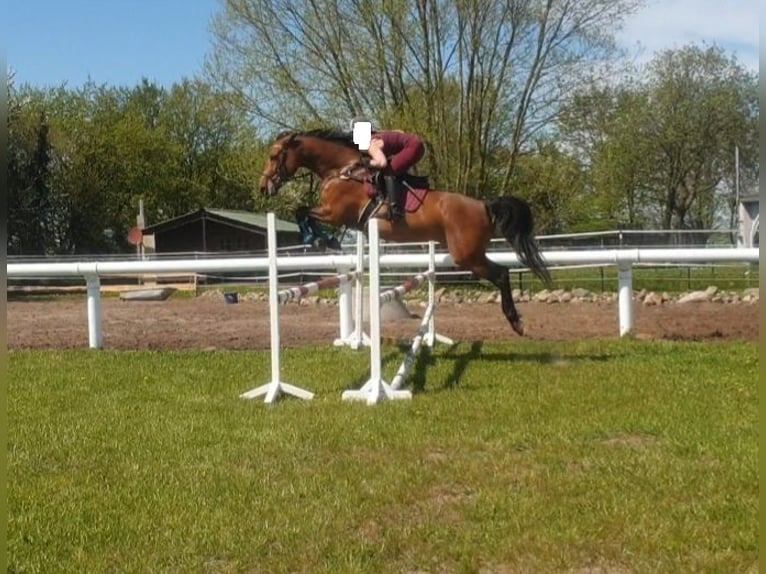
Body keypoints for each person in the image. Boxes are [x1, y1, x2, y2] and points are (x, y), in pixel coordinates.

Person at [366, 129, 425, 221]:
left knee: (389, 170)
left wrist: (367, 162)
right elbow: (400, 132)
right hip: (416, 145)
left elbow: (382, 163)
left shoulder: (370, 143)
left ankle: (395, 211)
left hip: (413, 147)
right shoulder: (378, 135)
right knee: (393, 167)